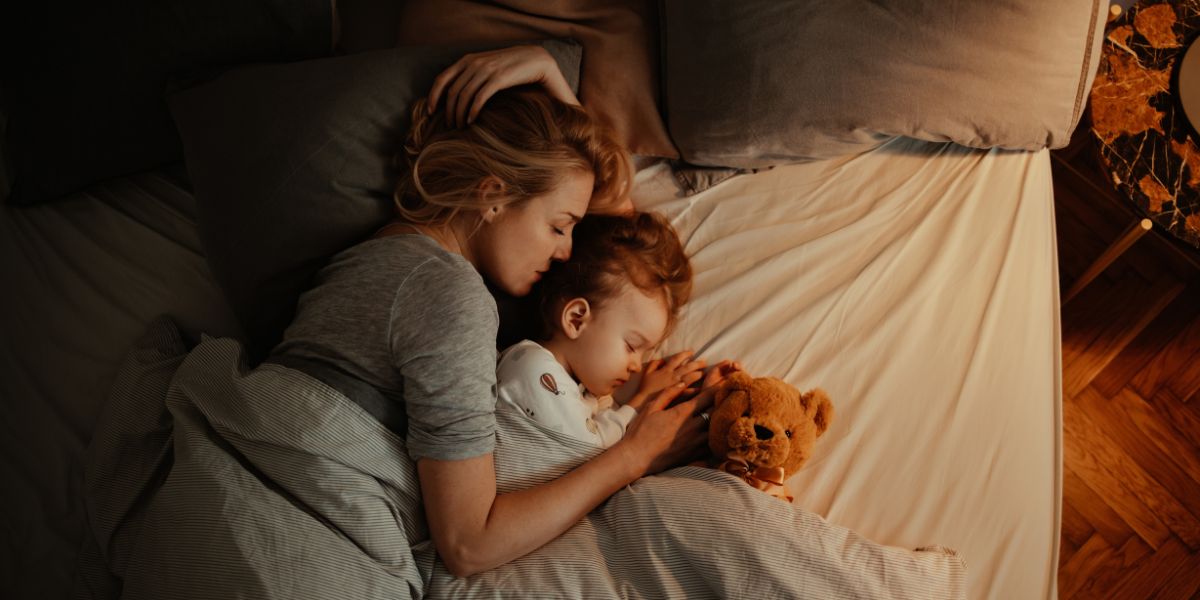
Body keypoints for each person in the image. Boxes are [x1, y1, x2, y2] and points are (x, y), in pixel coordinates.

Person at [269, 45, 721, 577]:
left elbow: (622, 244)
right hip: (298, 538)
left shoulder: (380, 252)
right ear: (493, 195)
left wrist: (555, 85)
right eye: (559, 226)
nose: (567, 252)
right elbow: (469, 544)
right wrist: (633, 455)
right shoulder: (451, 294)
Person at [496, 211, 738, 448]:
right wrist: (640, 401)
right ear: (576, 319)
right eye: (632, 346)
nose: (636, 365)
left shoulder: (583, 392)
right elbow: (589, 450)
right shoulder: (531, 366)